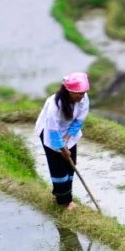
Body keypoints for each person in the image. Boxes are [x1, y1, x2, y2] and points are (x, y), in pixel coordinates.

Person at [34, 72, 90, 209]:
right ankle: (65, 201)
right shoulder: (55, 105)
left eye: (83, 92)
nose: (81, 96)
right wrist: (62, 148)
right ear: (68, 91)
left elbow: (79, 120)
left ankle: (64, 194)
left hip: (68, 132)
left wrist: (68, 137)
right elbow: (53, 130)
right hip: (50, 132)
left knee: (71, 165)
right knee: (59, 168)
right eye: (78, 93)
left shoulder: (83, 98)